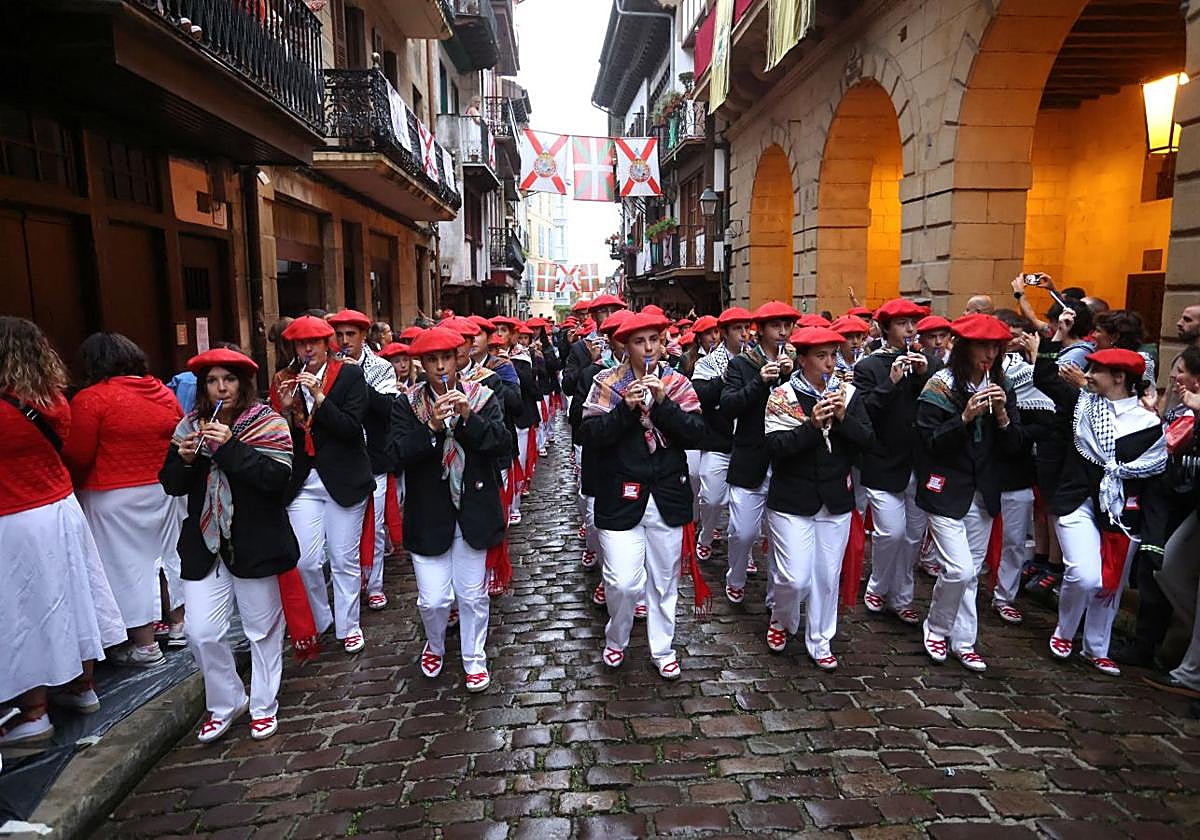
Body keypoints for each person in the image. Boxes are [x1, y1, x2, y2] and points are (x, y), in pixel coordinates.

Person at [160, 348, 300, 743]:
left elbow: (276, 480)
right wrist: (186, 460)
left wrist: (230, 448)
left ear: (244, 384)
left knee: (261, 629)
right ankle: (226, 702)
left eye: (229, 379)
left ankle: (264, 705)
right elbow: (172, 484)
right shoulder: (190, 425)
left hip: (256, 540)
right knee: (201, 631)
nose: (221, 387)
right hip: (205, 543)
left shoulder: (268, 422)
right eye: (212, 381)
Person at [0, 317, 124, 745]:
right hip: (61, 509)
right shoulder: (54, 400)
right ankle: (82, 685)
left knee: (24, 612)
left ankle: (33, 712)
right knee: (73, 598)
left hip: (14, 517)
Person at [580, 310, 708, 679]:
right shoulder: (606, 383)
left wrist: (664, 405)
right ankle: (616, 637)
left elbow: (696, 432)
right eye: (639, 341)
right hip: (620, 495)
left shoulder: (677, 382)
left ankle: (663, 648)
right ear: (625, 346)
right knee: (622, 582)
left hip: (667, 495)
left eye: (654, 339)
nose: (648, 347)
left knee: (664, 581)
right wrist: (625, 409)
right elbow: (590, 435)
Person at [388, 326, 510, 692]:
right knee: (434, 600)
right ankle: (435, 643)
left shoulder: (484, 396)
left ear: (458, 359)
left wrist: (469, 418)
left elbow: (500, 444)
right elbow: (395, 455)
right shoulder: (406, 404)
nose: (440, 367)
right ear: (422, 364)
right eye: (432, 360)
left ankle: (474, 657)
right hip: (428, 513)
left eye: (446, 358)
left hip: (473, 509)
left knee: (472, 596)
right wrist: (431, 426)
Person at [1043, 346, 1168, 676]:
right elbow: (1045, 378)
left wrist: (1152, 536)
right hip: (1078, 503)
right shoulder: (1083, 404)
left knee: (1109, 586)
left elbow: (1153, 477)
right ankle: (1064, 632)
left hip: (1119, 514)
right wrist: (1046, 347)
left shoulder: (1149, 424)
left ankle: (1096, 648)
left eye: (1095, 370)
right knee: (1085, 575)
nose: (1088, 375)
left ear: (1119, 377)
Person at [63, 332, 186, 664]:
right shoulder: (162, 392)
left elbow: (78, 454)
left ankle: (145, 643)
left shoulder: (91, 399)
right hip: (162, 489)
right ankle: (178, 624)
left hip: (111, 495)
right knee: (167, 558)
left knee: (126, 567)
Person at [915, 314, 1024, 672]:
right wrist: (964, 418)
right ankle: (936, 627)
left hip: (983, 491)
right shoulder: (941, 385)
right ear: (965, 348)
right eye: (983, 346)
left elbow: (1015, 446)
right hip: (945, 489)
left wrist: (1002, 415)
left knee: (972, 572)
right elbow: (929, 442)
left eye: (996, 347)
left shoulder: (1002, 385)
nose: (990, 354)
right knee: (958, 570)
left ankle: (964, 640)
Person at [764, 326, 873, 669]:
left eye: (833, 355)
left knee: (827, 576)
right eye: (821, 356)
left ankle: (821, 638)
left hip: (835, 498)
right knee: (793, 577)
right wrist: (811, 427)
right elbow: (776, 448)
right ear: (803, 360)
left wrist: (842, 419)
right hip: (791, 499)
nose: (829, 363)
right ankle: (781, 617)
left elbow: (867, 440)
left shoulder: (848, 395)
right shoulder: (782, 395)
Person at [271, 315, 374, 655]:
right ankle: (321, 618)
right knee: (305, 560)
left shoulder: (348, 375)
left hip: (344, 477)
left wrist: (319, 397)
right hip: (304, 480)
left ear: (326, 344)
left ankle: (349, 626)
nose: (307, 350)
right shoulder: (283, 379)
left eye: (313, 342)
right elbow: (280, 438)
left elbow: (350, 428)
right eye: (301, 344)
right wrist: (286, 412)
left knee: (343, 558)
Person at [857, 298, 939, 625]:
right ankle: (877, 585)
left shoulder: (929, 363)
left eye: (913, 323)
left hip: (918, 463)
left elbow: (935, 406)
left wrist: (922, 375)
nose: (910, 329)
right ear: (886, 328)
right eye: (903, 323)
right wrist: (890, 382)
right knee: (891, 532)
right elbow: (864, 411)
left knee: (912, 537)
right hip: (883, 461)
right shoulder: (869, 366)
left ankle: (902, 596)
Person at [721, 301, 800, 605]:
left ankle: (776, 599)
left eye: (787, 325)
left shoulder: (798, 362)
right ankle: (736, 576)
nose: (782, 332)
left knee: (782, 540)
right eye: (776, 326)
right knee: (742, 532)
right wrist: (759, 381)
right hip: (750, 458)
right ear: (762, 330)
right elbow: (729, 406)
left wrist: (791, 378)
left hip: (786, 462)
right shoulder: (742, 365)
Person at [329, 309, 399, 612]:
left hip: (374, 458)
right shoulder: (328, 369)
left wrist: (355, 379)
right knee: (346, 533)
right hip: (342, 459)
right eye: (339, 335)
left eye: (351, 335)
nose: (345, 341)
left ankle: (375, 585)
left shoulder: (381, 367)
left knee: (377, 526)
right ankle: (353, 580)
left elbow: (387, 408)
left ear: (363, 336)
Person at [990, 309, 1056, 626]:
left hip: (1016, 471)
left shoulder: (1030, 375)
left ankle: (1005, 595)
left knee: (1014, 541)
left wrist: (1012, 429)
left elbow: (1045, 425)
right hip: (977, 470)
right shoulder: (966, 374)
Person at [692, 307, 752, 560]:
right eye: (737, 329)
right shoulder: (707, 363)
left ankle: (746, 553)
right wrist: (725, 378)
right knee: (712, 498)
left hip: (748, 443)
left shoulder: (757, 360)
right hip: (718, 441)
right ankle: (706, 534)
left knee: (747, 505)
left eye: (747, 328)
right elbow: (701, 396)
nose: (744, 334)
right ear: (724, 333)